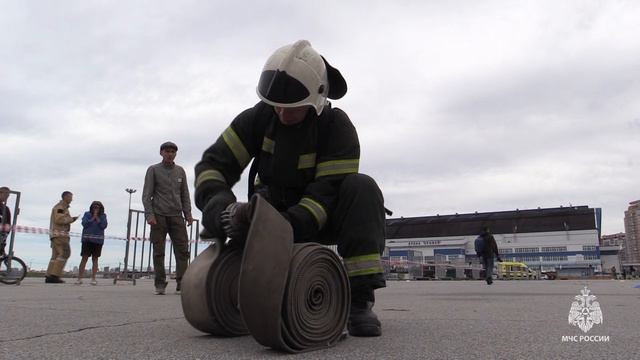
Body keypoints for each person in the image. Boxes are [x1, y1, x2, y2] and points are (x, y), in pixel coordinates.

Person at [194, 40, 387, 337]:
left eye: (292, 109)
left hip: (322, 216)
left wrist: (282, 227)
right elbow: (212, 167)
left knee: (362, 188)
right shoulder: (260, 117)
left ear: (316, 100)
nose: (282, 114)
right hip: (268, 215)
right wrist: (221, 209)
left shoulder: (336, 127)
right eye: (277, 107)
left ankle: (359, 301)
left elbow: (327, 193)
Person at [143, 141, 193, 295]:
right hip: (158, 216)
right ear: (161, 153)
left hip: (177, 216)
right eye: (167, 151)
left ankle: (182, 283)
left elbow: (185, 194)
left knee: (183, 251)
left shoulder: (180, 171)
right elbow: (146, 195)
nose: (170, 154)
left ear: (175, 154)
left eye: (172, 151)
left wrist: (188, 214)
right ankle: (160, 284)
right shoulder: (153, 170)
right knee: (159, 251)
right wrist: (150, 215)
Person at [46, 191, 78, 283]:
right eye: (70, 197)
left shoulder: (62, 207)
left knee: (55, 255)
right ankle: (54, 275)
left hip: (55, 235)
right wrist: (71, 219)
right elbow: (59, 219)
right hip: (60, 234)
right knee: (65, 253)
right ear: (65, 197)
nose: (72, 199)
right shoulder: (60, 207)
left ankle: (49, 275)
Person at [75, 201, 108, 285]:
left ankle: (93, 278)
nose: (95, 208)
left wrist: (97, 218)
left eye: (97, 207)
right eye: (94, 207)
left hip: (98, 241)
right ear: (91, 207)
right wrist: (92, 218)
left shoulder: (103, 216)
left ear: (101, 208)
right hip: (87, 240)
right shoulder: (87, 214)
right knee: (84, 258)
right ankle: (79, 278)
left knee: (95, 259)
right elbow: (84, 224)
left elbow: (103, 226)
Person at [0, 187, 12, 254]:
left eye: (8, 196)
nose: (7, 197)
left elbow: (8, 224)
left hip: (2, 237)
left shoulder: (6, 208)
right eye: (6, 195)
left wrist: (5, 236)